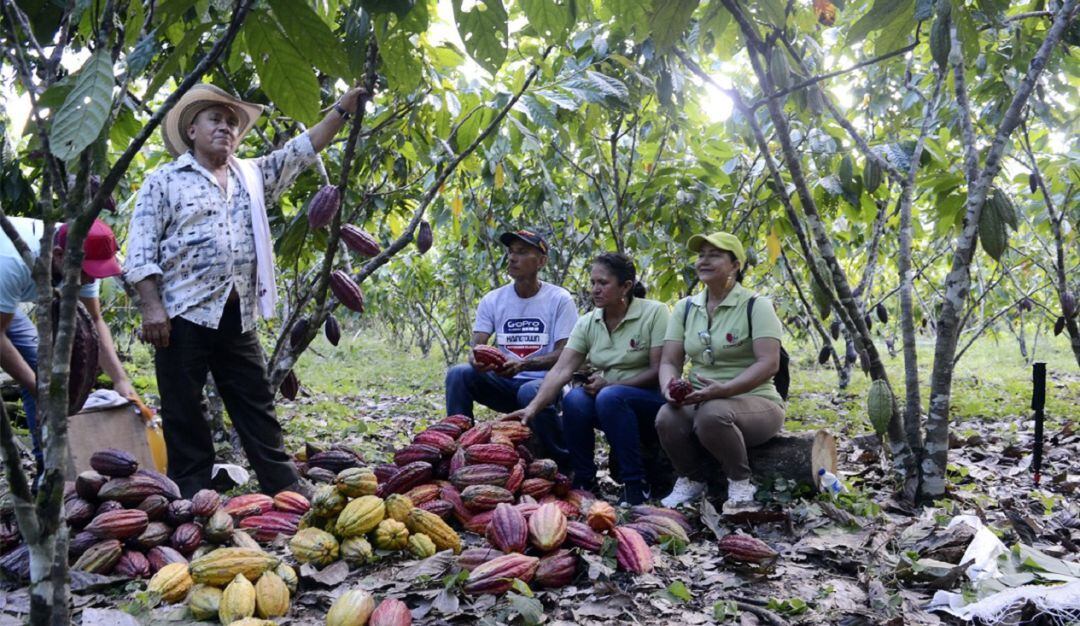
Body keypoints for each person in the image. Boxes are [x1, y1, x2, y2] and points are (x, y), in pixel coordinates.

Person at [125, 83, 369, 498]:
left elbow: (301, 150)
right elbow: (141, 248)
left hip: (236, 312)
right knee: (184, 408)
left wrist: (343, 109)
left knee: (255, 403)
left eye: (232, 122)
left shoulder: (252, 176)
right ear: (192, 131)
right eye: (215, 120)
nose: (226, 128)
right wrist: (152, 308)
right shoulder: (164, 181)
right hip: (182, 312)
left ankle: (284, 485)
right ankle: (192, 493)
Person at [506, 253, 670, 505]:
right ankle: (584, 479)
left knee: (609, 396)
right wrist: (531, 408)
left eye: (603, 283)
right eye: (593, 282)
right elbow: (562, 370)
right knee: (574, 400)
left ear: (625, 286)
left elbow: (659, 371)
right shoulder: (589, 322)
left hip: (649, 399)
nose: (595, 289)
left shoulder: (654, 313)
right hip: (609, 401)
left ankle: (636, 484)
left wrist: (613, 384)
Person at [656, 231, 785, 514]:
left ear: (735, 264)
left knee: (713, 414)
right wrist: (669, 386)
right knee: (667, 416)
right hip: (702, 397)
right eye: (701, 255)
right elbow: (669, 361)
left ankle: (740, 482)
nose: (704, 261)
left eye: (714, 255)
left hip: (756, 400)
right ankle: (691, 479)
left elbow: (769, 363)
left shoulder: (756, 305)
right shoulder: (686, 308)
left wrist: (726, 390)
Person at [0, 217, 136, 465]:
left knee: (39, 373)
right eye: (89, 273)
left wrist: (121, 380)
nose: (92, 280)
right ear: (60, 255)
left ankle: (48, 471)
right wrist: (41, 392)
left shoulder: (79, 255)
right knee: (39, 382)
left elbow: (94, 320)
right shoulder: (12, 261)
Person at [445, 230, 577, 468]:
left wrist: (525, 364)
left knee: (529, 390)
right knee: (458, 374)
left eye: (522, 252)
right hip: (504, 383)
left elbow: (565, 355)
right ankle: (458, 449)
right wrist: (477, 359)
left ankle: (564, 462)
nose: (512, 258)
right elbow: (477, 345)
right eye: (511, 252)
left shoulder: (560, 299)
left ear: (542, 261)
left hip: (544, 386)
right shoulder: (493, 299)